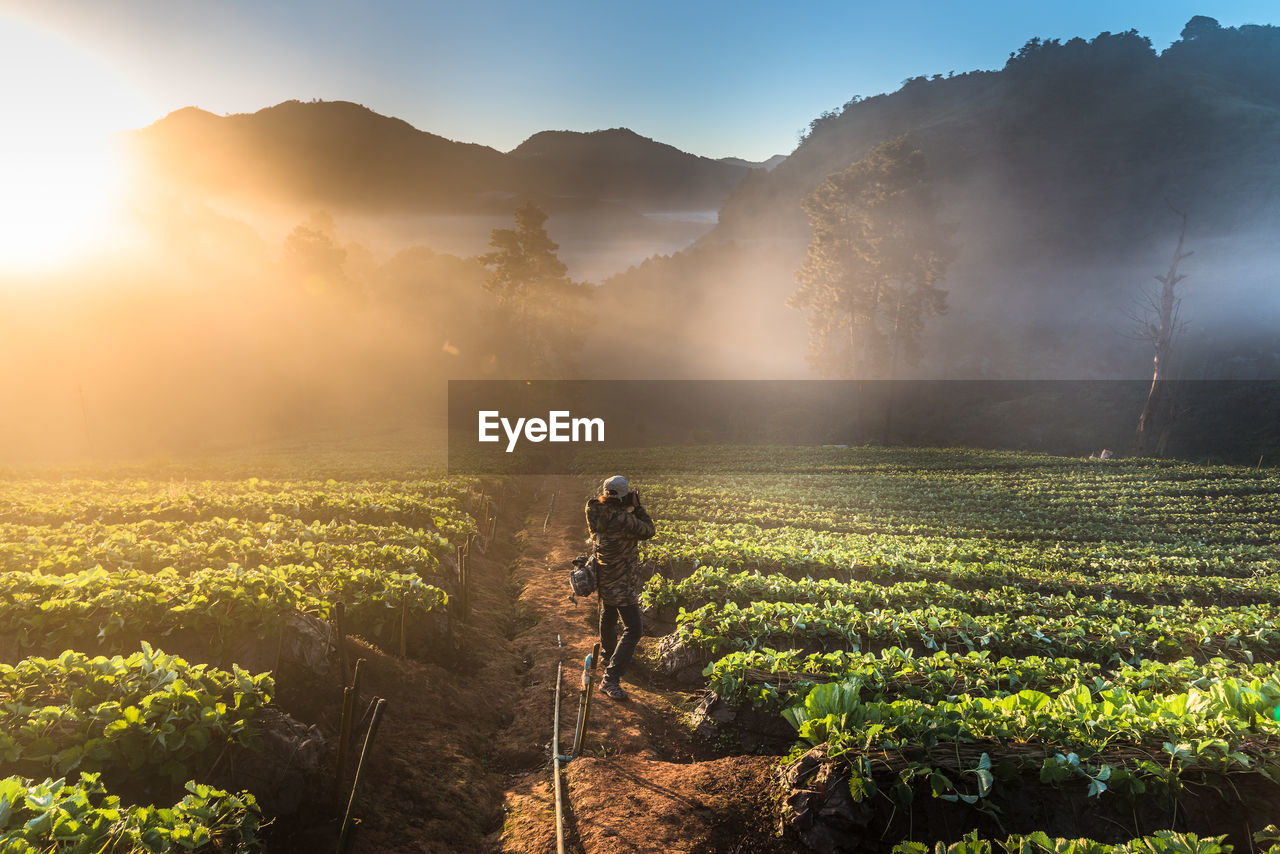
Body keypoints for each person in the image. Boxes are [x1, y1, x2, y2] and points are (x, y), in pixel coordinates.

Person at [585, 474, 655, 701]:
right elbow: (649, 530)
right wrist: (638, 506)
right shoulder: (623, 520)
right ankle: (611, 679)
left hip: (604, 577)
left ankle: (607, 655)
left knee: (608, 614)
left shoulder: (595, 512)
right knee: (634, 629)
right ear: (624, 497)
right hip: (621, 582)